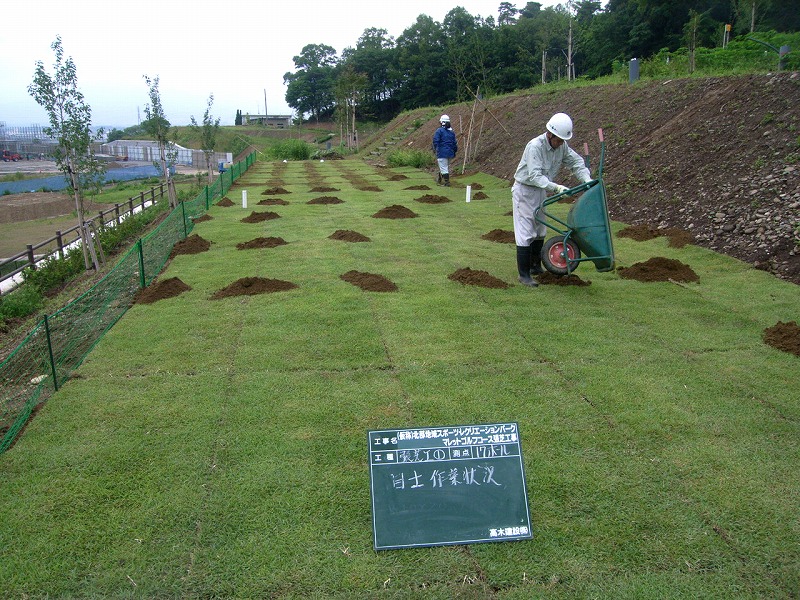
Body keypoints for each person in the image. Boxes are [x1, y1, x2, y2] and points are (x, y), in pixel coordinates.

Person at [512, 112, 591, 287]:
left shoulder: (561, 146)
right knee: (526, 231)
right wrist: (556, 187)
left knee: (540, 229)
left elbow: (576, 162)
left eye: (564, 140)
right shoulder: (535, 146)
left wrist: (586, 179)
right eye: (559, 140)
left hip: (540, 190)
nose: (561, 143)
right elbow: (534, 176)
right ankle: (524, 275)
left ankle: (535, 266)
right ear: (550, 134)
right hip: (525, 190)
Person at [432, 115, 457, 186]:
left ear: (442, 122)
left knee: (443, 167)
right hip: (450, 152)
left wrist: (435, 149)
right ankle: (440, 179)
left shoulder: (439, 131)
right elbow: (454, 143)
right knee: (444, 166)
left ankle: (447, 182)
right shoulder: (452, 132)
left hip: (442, 152)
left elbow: (435, 141)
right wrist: (454, 151)